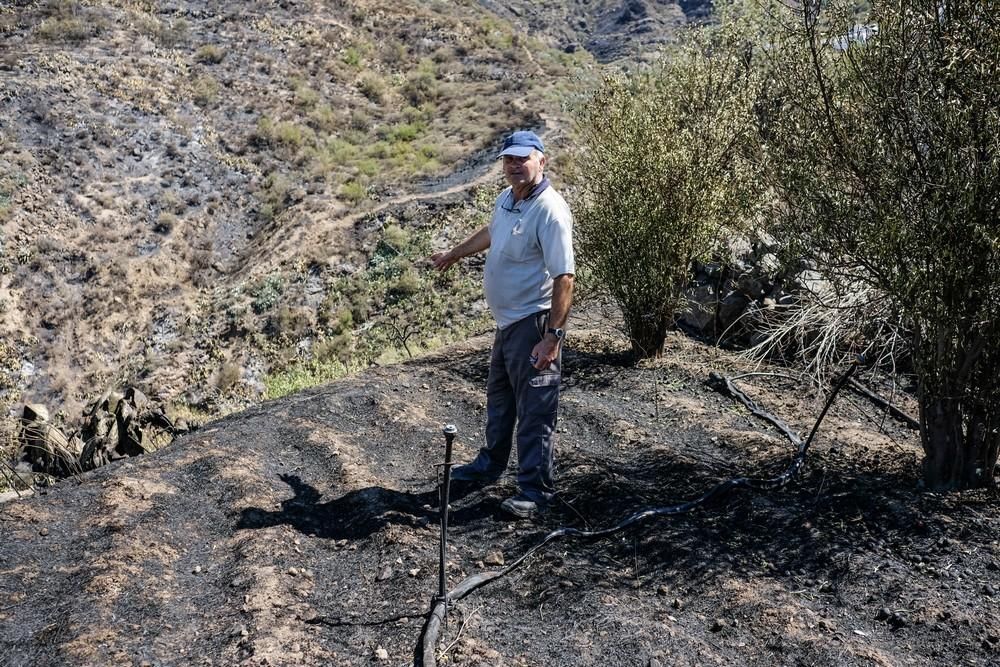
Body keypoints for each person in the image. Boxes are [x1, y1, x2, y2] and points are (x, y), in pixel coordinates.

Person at [430, 130, 574, 518]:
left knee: (535, 410)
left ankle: (535, 491)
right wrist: (453, 255)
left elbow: (564, 277)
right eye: (509, 159)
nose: (514, 165)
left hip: (534, 322)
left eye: (522, 159)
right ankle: (490, 465)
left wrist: (552, 338)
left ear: (541, 161)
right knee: (500, 400)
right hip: (508, 323)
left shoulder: (550, 210)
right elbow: (492, 232)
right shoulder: (508, 199)